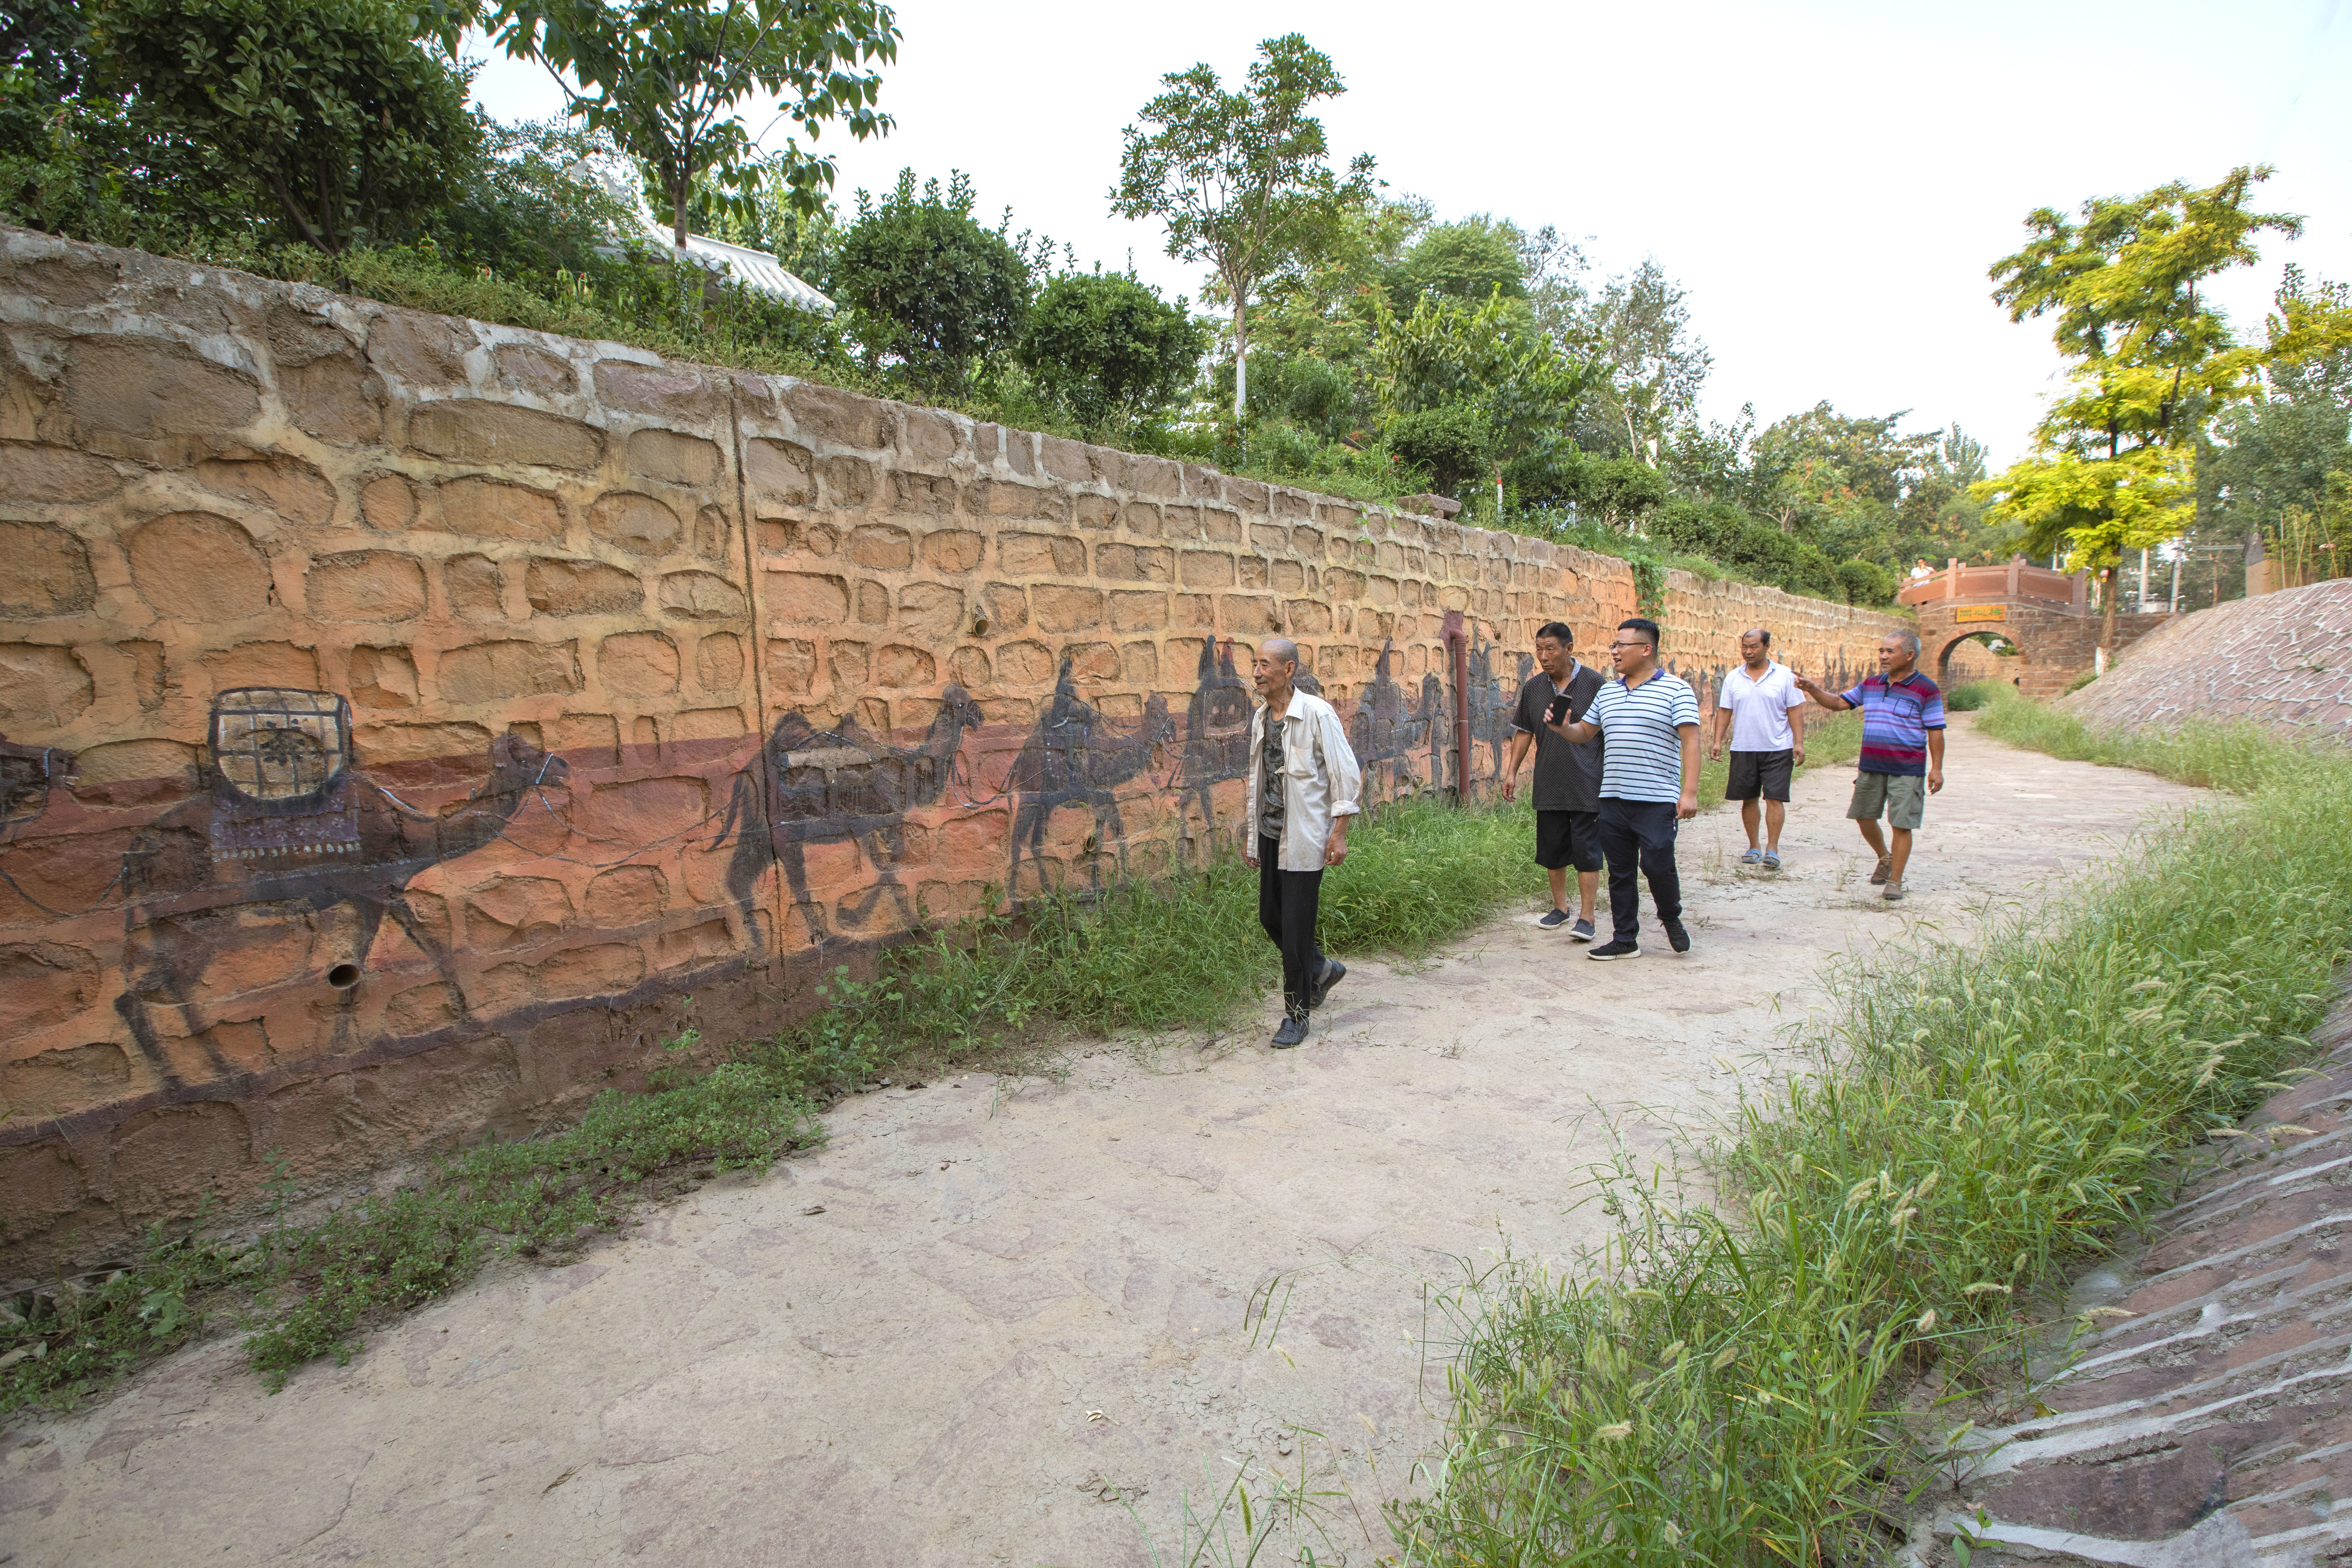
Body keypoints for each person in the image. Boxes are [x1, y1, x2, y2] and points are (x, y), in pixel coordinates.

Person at [1545, 617, 1700, 960]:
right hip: (1613, 798)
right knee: (1620, 872)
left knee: (1658, 865)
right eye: (1613, 646)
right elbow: (1585, 733)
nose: (1614, 651)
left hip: (1657, 799)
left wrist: (1688, 793)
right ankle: (1625, 939)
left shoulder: (1677, 690)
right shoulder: (1608, 692)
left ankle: (1670, 916)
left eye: (1621, 646)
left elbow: (1691, 743)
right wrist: (1563, 728)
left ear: (1646, 649)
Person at [1243, 636, 1364, 1047]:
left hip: (1305, 837)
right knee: (1270, 917)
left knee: (1296, 929)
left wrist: (1339, 832)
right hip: (1271, 834)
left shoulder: (1316, 713)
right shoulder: (1262, 718)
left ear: (1289, 669)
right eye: (1255, 664)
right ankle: (1321, 969)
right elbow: (1259, 780)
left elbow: (1345, 773)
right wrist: (1253, 837)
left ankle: (1297, 1015)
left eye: (1265, 664)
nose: (1257, 673)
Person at [1793, 630, 1946, 902]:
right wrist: (1813, 689)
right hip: (1871, 765)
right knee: (1863, 816)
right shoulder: (1872, 684)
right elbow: (1839, 703)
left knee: (1902, 825)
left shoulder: (1927, 689)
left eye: (1890, 652)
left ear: (1909, 656)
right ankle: (1885, 858)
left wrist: (1936, 769)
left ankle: (1895, 881)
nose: (1883, 656)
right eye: (1881, 651)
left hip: (1907, 769)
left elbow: (1936, 731)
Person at [1502, 620, 1604, 939]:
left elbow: (1608, 733)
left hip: (1588, 782)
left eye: (1551, 649)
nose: (1544, 657)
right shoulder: (1534, 687)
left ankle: (1587, 917)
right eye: (1539, 650)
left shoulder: (1595, 683)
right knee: (1552, 850)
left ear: (1569, 649)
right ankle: (1561, 908)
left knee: (1587, 852)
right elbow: (1525, 731)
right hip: (1549, 781)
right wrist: (1511, 772)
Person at [1708, 627, 1805, 869]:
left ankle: (1772, 849)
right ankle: (1754, 847)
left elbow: (1795, 710)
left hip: (1778, 748)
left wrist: (1799, 743)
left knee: (1775, 798)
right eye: (1745, 647)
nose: (1748, 652)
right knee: (1748, 799)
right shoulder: (1734, 677)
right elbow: (1725, 711)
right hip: (1743, 748)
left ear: (1767, 647)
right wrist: (1717, 741)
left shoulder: (1785, 676)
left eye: (1754, 647)